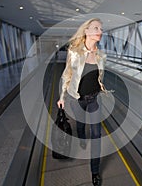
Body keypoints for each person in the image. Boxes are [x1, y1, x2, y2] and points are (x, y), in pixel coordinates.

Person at [57, 18, 106, 186]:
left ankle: (95, 171)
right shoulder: (74, 52)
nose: (100, 30)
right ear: (86, 31)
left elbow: (98, 77)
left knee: (97, 136)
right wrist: (62, 97)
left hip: (94, 100)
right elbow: (67, 75)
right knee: (80, 124)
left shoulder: (100, 55)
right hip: (77, 99)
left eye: (101, 28)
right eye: (96, 28)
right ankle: (82, 138)